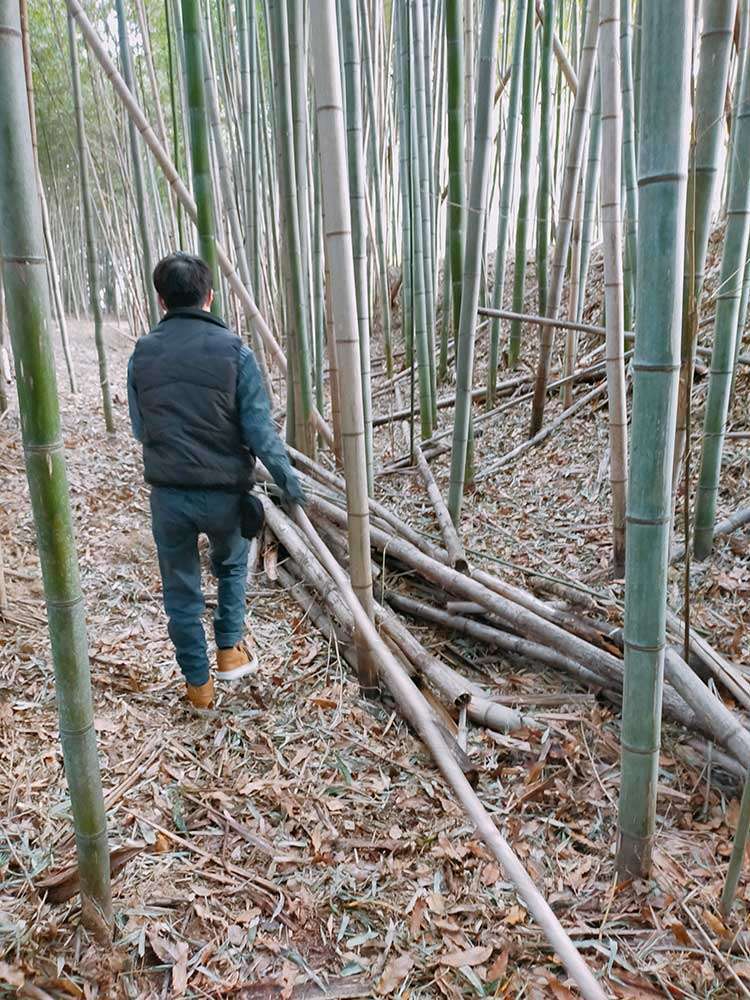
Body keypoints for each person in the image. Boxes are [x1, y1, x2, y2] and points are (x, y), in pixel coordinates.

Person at [127, 252, 305, 710]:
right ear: (209, 296)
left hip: (169, 498)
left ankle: (198, 688)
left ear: (161, 299)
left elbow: (141, 428)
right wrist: (289, 482)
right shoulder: (235, 352)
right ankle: (229, 650)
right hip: (226, 495)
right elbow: (261, 432)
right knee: (229, 568)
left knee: (181, 590)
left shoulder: (142, 354)